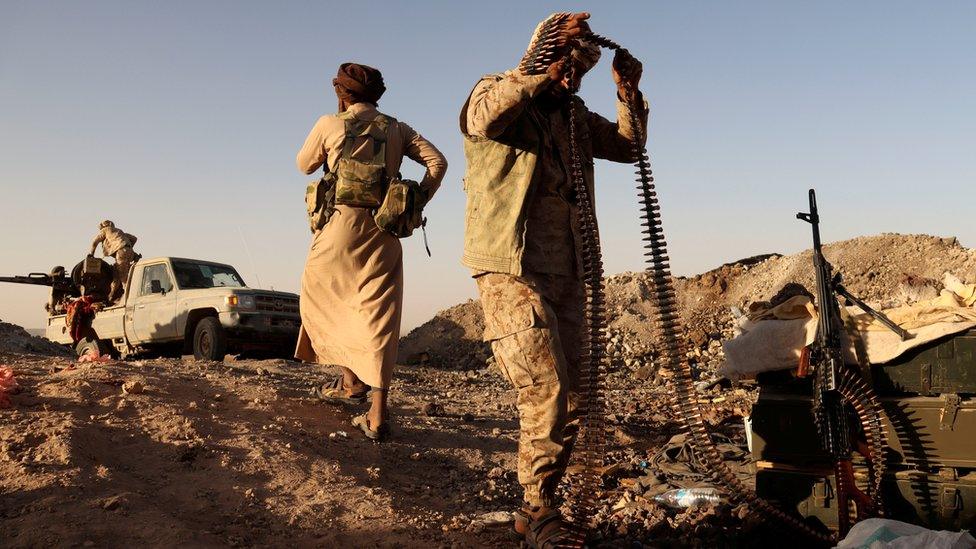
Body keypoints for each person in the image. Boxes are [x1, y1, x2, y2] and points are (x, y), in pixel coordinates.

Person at [459, 12, 646, 545]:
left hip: (569, 267)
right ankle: (538, 509)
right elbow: (484, 120)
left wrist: (628, 93)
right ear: (546, 58)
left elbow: (630, 148)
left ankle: (541, 506)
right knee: (545, 385)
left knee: (576, 398)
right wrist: (542, 71)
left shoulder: (574, 117)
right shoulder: (497, 91)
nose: (573, 77)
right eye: (568, 64)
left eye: (581, 68)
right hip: (511, 268)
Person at [295, 62, 447, 441]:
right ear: (377, 95)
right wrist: (414, 200)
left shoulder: (328, 123)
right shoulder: (399, 128)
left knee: (325, 296)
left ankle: (349, 382)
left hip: (338, 228)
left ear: (340, 93)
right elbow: (438, 162)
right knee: (379, 315)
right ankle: (376, 412)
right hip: (383, 229)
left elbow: (304, 165)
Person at [88, 220, 138, 302]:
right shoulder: (119, 232)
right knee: (117, 274)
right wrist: (128, 246)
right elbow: (134, 238)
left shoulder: (106, 230)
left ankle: (127, 298)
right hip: (130, 253)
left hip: (121, 252)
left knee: (123, 278)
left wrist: (91, 254)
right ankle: (111, 296)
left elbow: (94, 242)